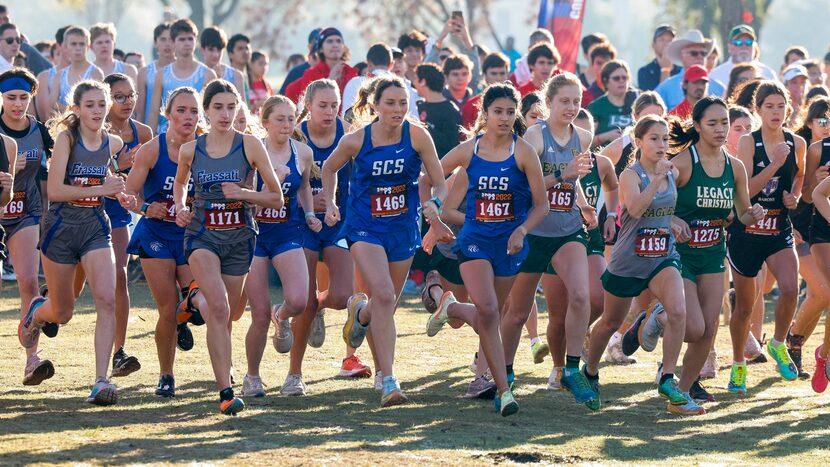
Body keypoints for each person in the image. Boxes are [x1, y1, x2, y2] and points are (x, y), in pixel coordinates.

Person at [422, 82, 547, 415]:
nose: (504, 118)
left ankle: (450, 308)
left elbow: (542, 205)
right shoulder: (469, 150)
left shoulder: (524, 152)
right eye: (498, 112)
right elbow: (429, 178)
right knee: (490, 310)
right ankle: (503, 390)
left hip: (509, 245)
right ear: (485, 114)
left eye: (510, 112)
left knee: (496, 314)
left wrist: (521, 229)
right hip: (474, 241)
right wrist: (435, 217)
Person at [327, 75, 449, 407]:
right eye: (390, 103)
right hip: (364, 227)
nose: (397, 110)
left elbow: (440, 183)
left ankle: (361, 315)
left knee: (386, 305)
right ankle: (389, 379)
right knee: (383, 292)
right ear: (376, 105)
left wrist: (435, 205)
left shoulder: (418, 136)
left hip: (401, 229)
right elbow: (328, 168)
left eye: (402, 104)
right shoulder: (357, 140)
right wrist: (330, 202)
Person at [172, 79, 283, 415]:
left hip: (240, 238)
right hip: (202, 236)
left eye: (231, 107)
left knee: (231, 313)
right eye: (218, 107)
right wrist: (179, 206)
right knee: (220, 309)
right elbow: (179, 184)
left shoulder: (250, 145)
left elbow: (275, 197)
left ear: (238, 109)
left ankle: (192, 299)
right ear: (207, 110)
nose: (225, 114)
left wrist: (244, 195)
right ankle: (225, 392)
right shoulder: (191, 149)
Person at [19, 80, 131, 405]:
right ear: (77, 109)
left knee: (107, 300)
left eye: (101, 104)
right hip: (61, 228)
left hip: (96, 227)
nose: (96, 110)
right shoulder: (66, 139)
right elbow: (55, 191)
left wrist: (120, 191)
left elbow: (106, 178)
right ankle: (40, 311)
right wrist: (101, 189)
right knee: (64, 312)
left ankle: (101, 381)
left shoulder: (112, 142)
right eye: (90, 105)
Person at [499, 72, 598, 404]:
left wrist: (584, 205)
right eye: (564, 101)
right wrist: (561, 174)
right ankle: (505, 373)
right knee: (517, 310)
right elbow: (526, 186)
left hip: (568, 229)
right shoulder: (536, 136)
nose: (571, 108)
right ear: (549, 102)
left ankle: (571, 369)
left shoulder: (583, 136)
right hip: (533, 230)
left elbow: (577, 181)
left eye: (576, 102)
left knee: (581, 296)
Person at [583, 115, 689, 412]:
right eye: (654, 138)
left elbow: (665, 210)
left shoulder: (673, 171)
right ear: (639, 142)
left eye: (665, 139)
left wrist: (675, 222)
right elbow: (636, 208)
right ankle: (590, 372)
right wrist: (657, 178)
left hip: (662, 256)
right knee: (610, 323)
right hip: (629, 259)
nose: (661, 144)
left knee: (678, 310)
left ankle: (668, 377)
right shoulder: (632, 174)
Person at [668, 97, 765, 412]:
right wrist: (672, 219)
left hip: (712, 256)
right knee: (693, 327)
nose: (721, 129)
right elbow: (652, 209)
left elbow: (740, 215)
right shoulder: (682, 163)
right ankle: (655, 317)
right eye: (712, 123)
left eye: (724, 122)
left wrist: (754, 214)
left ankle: (681, 394)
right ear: (697, 126)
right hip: (678, 256)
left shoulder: (735, 167)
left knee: (708, 331)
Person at [726, 80, 807, 395]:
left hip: (778, 228)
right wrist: (775, 163)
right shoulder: (749, 142)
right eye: (769, 106)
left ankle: (777, 344)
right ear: (757, 110)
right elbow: (745, 190)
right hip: (746, 230)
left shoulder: (796, 142)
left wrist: (795, 196)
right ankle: (738, 364)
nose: (776, 112)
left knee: (790, 288)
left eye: (781, 106)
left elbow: (799, 175)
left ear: (788, 108)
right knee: (745, 307)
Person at [122, 86, 202, 397]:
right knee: (167, 308)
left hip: (189, 235)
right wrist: (145, 207)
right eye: (181, 110)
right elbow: (128, 195)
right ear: (167, 115)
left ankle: (183, 320)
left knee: (200, 303)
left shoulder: (205, 149)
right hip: (155, 235)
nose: (188, 117)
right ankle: (166, 375)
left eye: (194, 111)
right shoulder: (151, 150)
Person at [243, 95, 321, 397]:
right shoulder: (252, 152)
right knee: (258, 314)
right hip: (256, 234)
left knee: (300, 301)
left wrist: (311, 213)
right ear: (265, 121)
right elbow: (247, 198)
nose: (287, 125)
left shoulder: (302, 152)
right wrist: (270, 182)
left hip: (288, 231)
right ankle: (252, 376)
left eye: (291, 119)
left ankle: (283, 314)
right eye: (280, 119)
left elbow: (303, 185)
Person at [297, 79, 373, 381]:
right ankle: (295, 373)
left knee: (343, 296)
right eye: (322, 106)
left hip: (339, 220)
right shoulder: (294, 133)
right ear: (308, 105)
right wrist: (304, 200)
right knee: (303, 298)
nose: (329, 112)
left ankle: (319, 308)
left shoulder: (348, 133)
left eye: (334, 105)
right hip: (299, 221)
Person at [0, 68, 54, 386]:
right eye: (10, 98)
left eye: (23, 98)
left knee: (29, 285)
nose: (17, 105)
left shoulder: (39, 130)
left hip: (25, 211)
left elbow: (56, 167)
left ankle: (32, 360)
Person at [787, 97, 830, 380]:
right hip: (803, 229)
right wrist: (815, 179)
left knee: (821, 294)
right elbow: (800, 196)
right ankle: (794, 340)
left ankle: (804, 344)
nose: (828, 127)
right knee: (823, 291)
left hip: (820, 228)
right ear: (810, 123)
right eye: (822, 121)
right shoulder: (809, 149)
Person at [149, 19, 216, 133]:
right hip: (167, 137)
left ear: (196, 41)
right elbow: (155, 112)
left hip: (198, 137)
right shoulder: (161, 75)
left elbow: (212, 112)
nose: (187, 43)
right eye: (182, 39)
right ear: (173, 42)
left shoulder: (208, 74)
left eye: (190, 38)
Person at [285, 28, 357, 105]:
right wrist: (330, 81)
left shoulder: (352, 73)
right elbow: (309, 105)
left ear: (343, 47)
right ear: (321, 49)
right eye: (330, 41)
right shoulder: (311, 75)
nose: (335, 45)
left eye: (339, 41)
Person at [655, 30, 725, 110]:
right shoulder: (665, 88)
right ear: (682, 56)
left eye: (703, 53)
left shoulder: (719, 88)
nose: (700, 57)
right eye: (694, 53)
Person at [49, 27, 104, 112]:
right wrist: (75, 112)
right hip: (66, 123)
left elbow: (99, 103)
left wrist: (76, 112)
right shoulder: (59, 75)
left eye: (82, 44)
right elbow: (52, 104)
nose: (78, 48)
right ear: (66, 46)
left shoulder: (95, 73)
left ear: (88, 47)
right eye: (73, 44)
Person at [413, 63, 460, 159]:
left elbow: (451, 146)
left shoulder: (451, 111)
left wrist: (426, 129)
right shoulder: (419, 106)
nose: (414, 83)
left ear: (423, 81)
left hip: (441, 169)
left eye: (416, 78)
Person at [588, 60, 638, 147]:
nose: (621, 81)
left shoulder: (637, 101)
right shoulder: (596, 107)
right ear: (605, 81)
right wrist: (606, 136)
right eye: (616, 78)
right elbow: (585, 142)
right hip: (605, 156)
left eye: (624, 78)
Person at [426, 14, 481, 92]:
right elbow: (426, 72)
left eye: (464, 74)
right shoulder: (437, 93)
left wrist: (466, 38)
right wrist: (441, 37)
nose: (460, 78)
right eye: (443, 57)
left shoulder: (470, 93)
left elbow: (475, 72)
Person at [708, 24, 777, 86]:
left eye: (748, 42)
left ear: (755, 46)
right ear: (729, 47)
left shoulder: (768, 74)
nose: (744, 46)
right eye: (738, 43)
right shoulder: (715, 75)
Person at [136, 23, 173, 124]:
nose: (167, 44)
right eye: (163, 39)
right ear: (155, 42)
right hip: (152, 130)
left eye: (171, 39)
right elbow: (140, 112)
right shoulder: (144, 73)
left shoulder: (183, 72)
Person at [461, 52, 509, 129]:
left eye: (502, 73)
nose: (498, 78)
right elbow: (466, 138)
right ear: (484, 75)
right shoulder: (472, 105)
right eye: (494, 73)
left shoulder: (516, 103)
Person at [199, 26, 245, 97]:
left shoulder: (236, 75)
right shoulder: (195, 74)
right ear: (202, 49)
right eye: (211, 49)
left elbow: (242, 106)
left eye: (219, 49)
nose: (216, 54)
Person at [638, 25, 682, 91]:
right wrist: (665, 70)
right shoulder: (645, 72)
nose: (667, 44)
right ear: (653, 45)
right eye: (662, 40)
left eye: (670, 40)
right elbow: (656, 98)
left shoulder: (681, 71)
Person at [279, 28, 320, 95]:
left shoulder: (340, 68)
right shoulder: (296, 72)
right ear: (309, 46)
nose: (320, 46)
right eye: (316, 42)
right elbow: (281, 100)